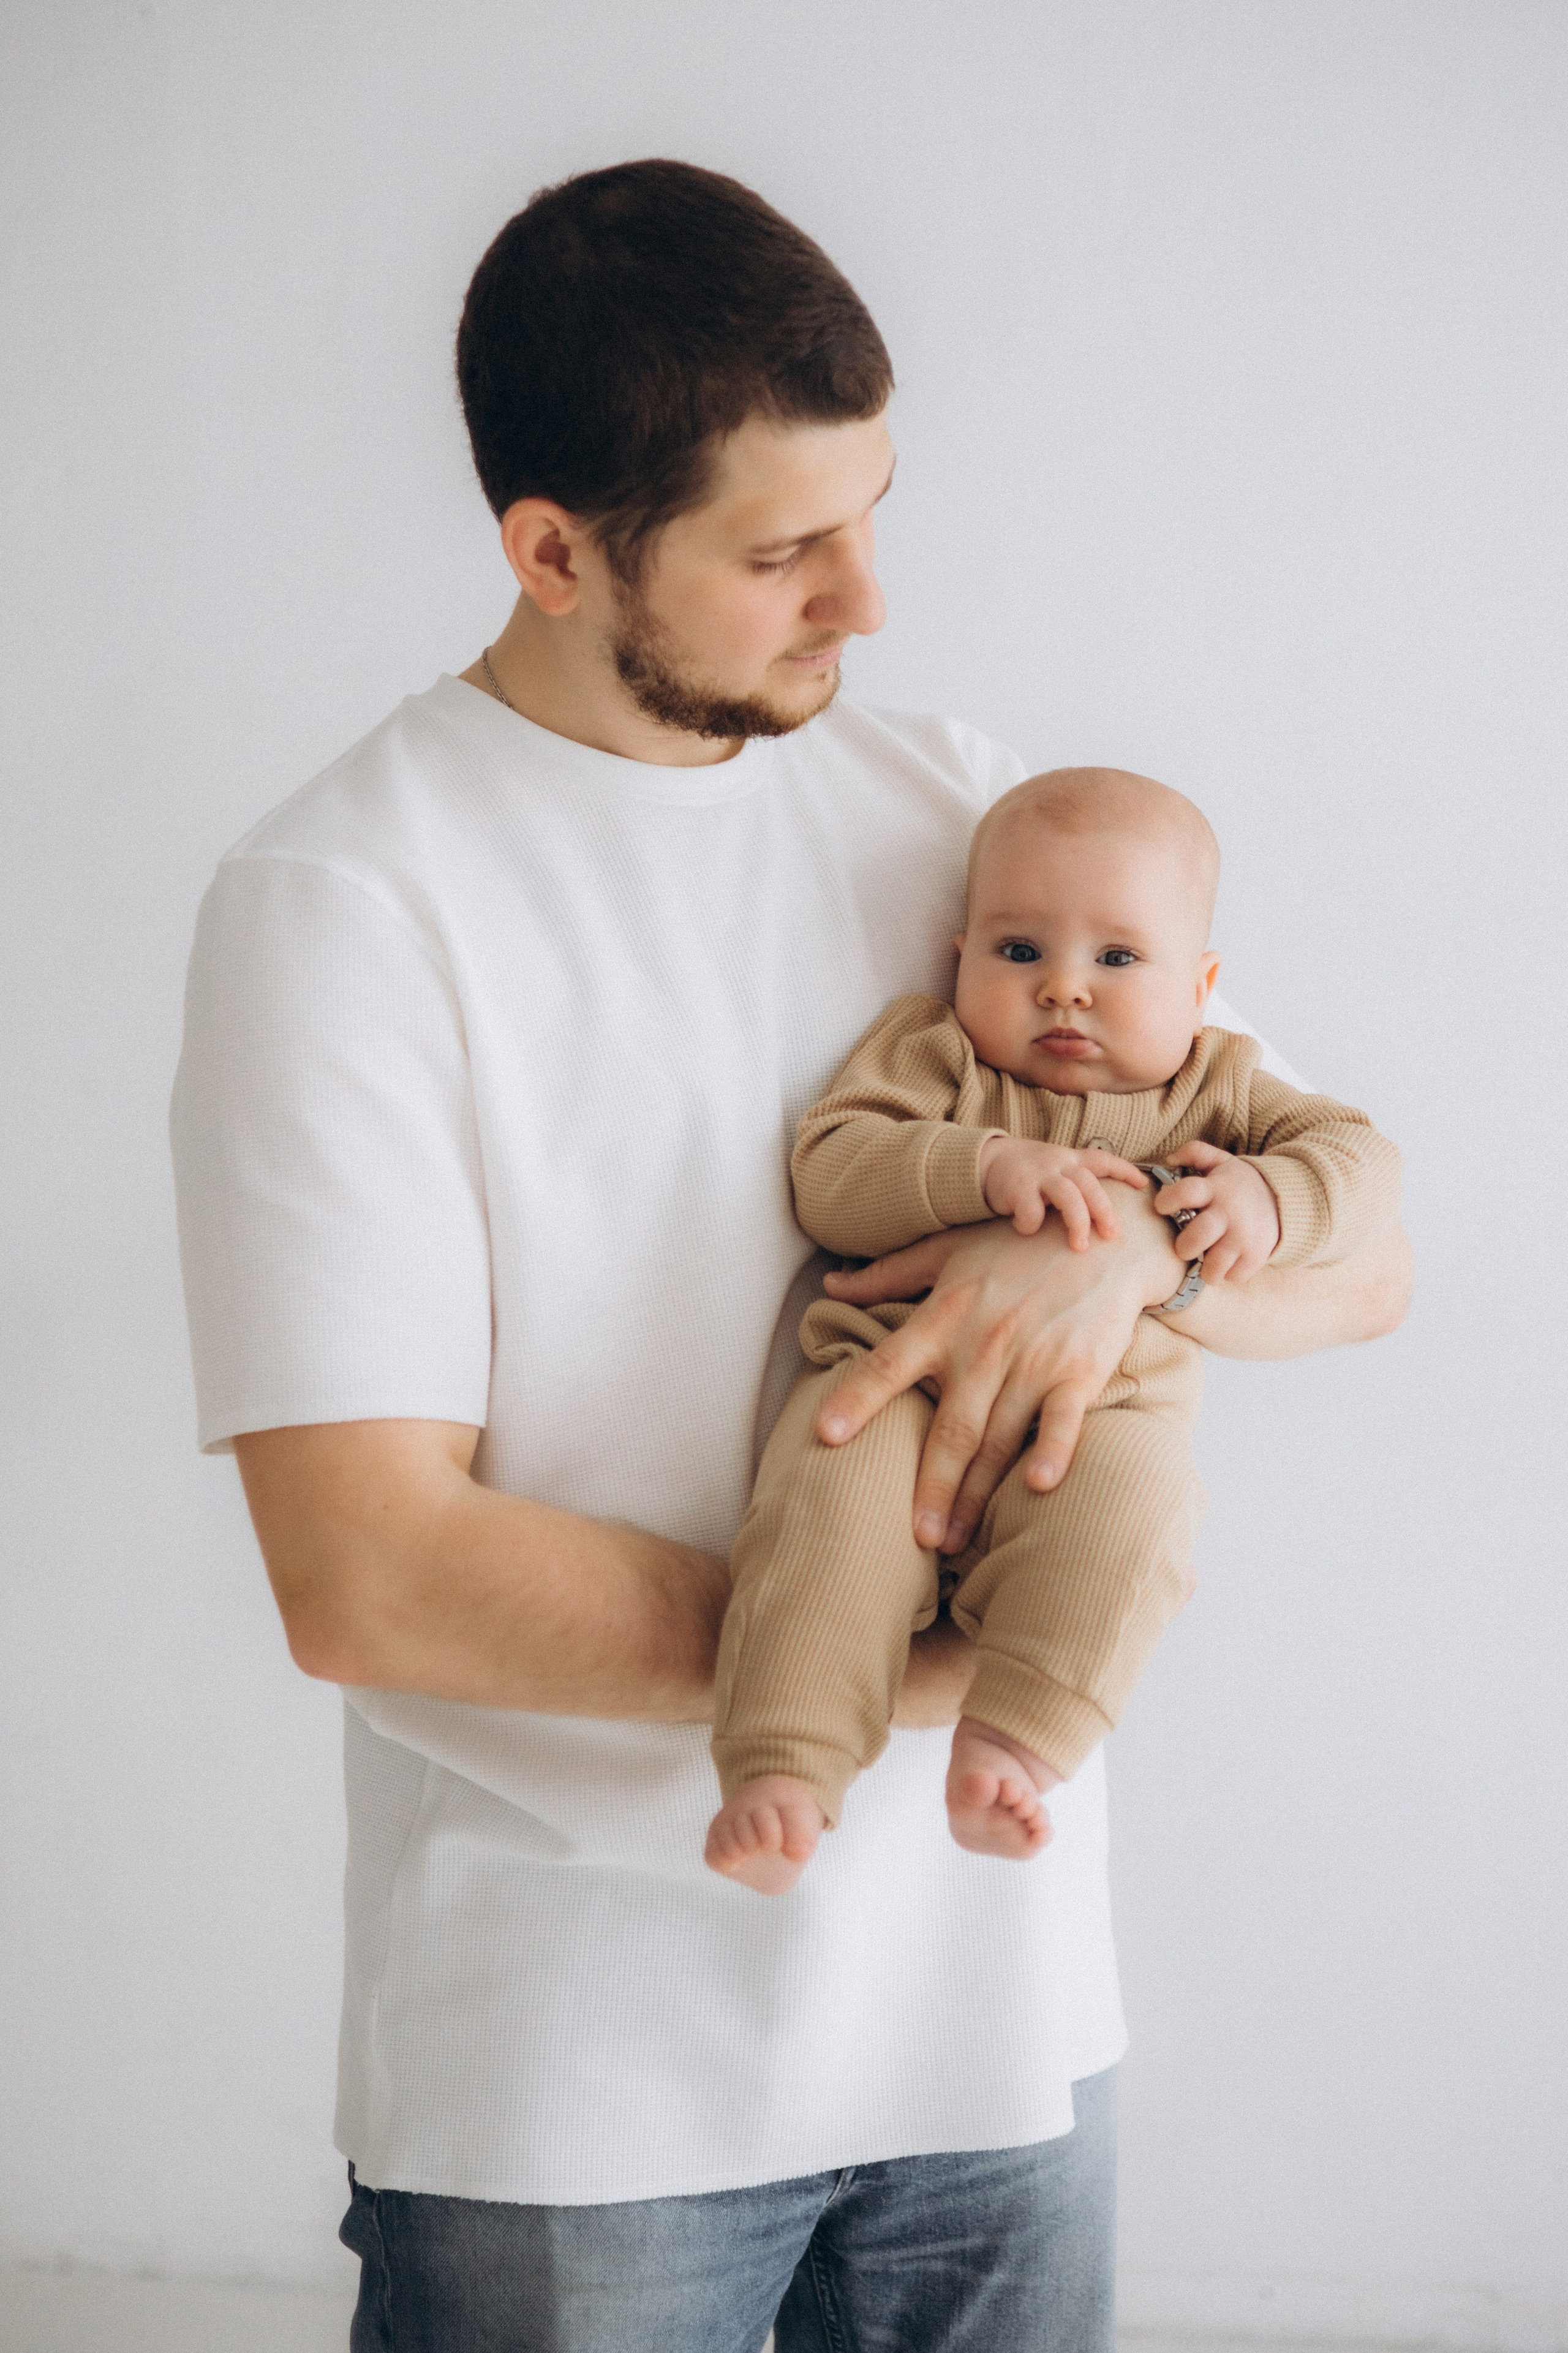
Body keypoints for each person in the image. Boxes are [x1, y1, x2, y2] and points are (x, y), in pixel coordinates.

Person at [169, 160, 1411, 2353]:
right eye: (781, 550)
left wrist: (1133, 1270)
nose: (870, 596)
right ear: (553, 551)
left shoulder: (962, 811)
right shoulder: (348, 904)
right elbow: (367, 1568)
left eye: (873, 509)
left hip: (997, 2021)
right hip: (580, 2083)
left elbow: (1360, 1251)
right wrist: (918, 1687)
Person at [705, 767, 1401, 1894]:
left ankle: (1015, 1744)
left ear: (1204, 984)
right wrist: (982, 1164)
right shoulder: (937, 1057)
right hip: (894, 1387)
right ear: (959, 957)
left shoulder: (1223, 1090)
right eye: (1019, 951)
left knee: (1140, 1519)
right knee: (825, 1510)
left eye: (1118, 959)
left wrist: (1270, 1201)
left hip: (1106, 1420)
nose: (1064, 989)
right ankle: (784, 1766)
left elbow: (1366, 1165)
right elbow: (831, 1170)